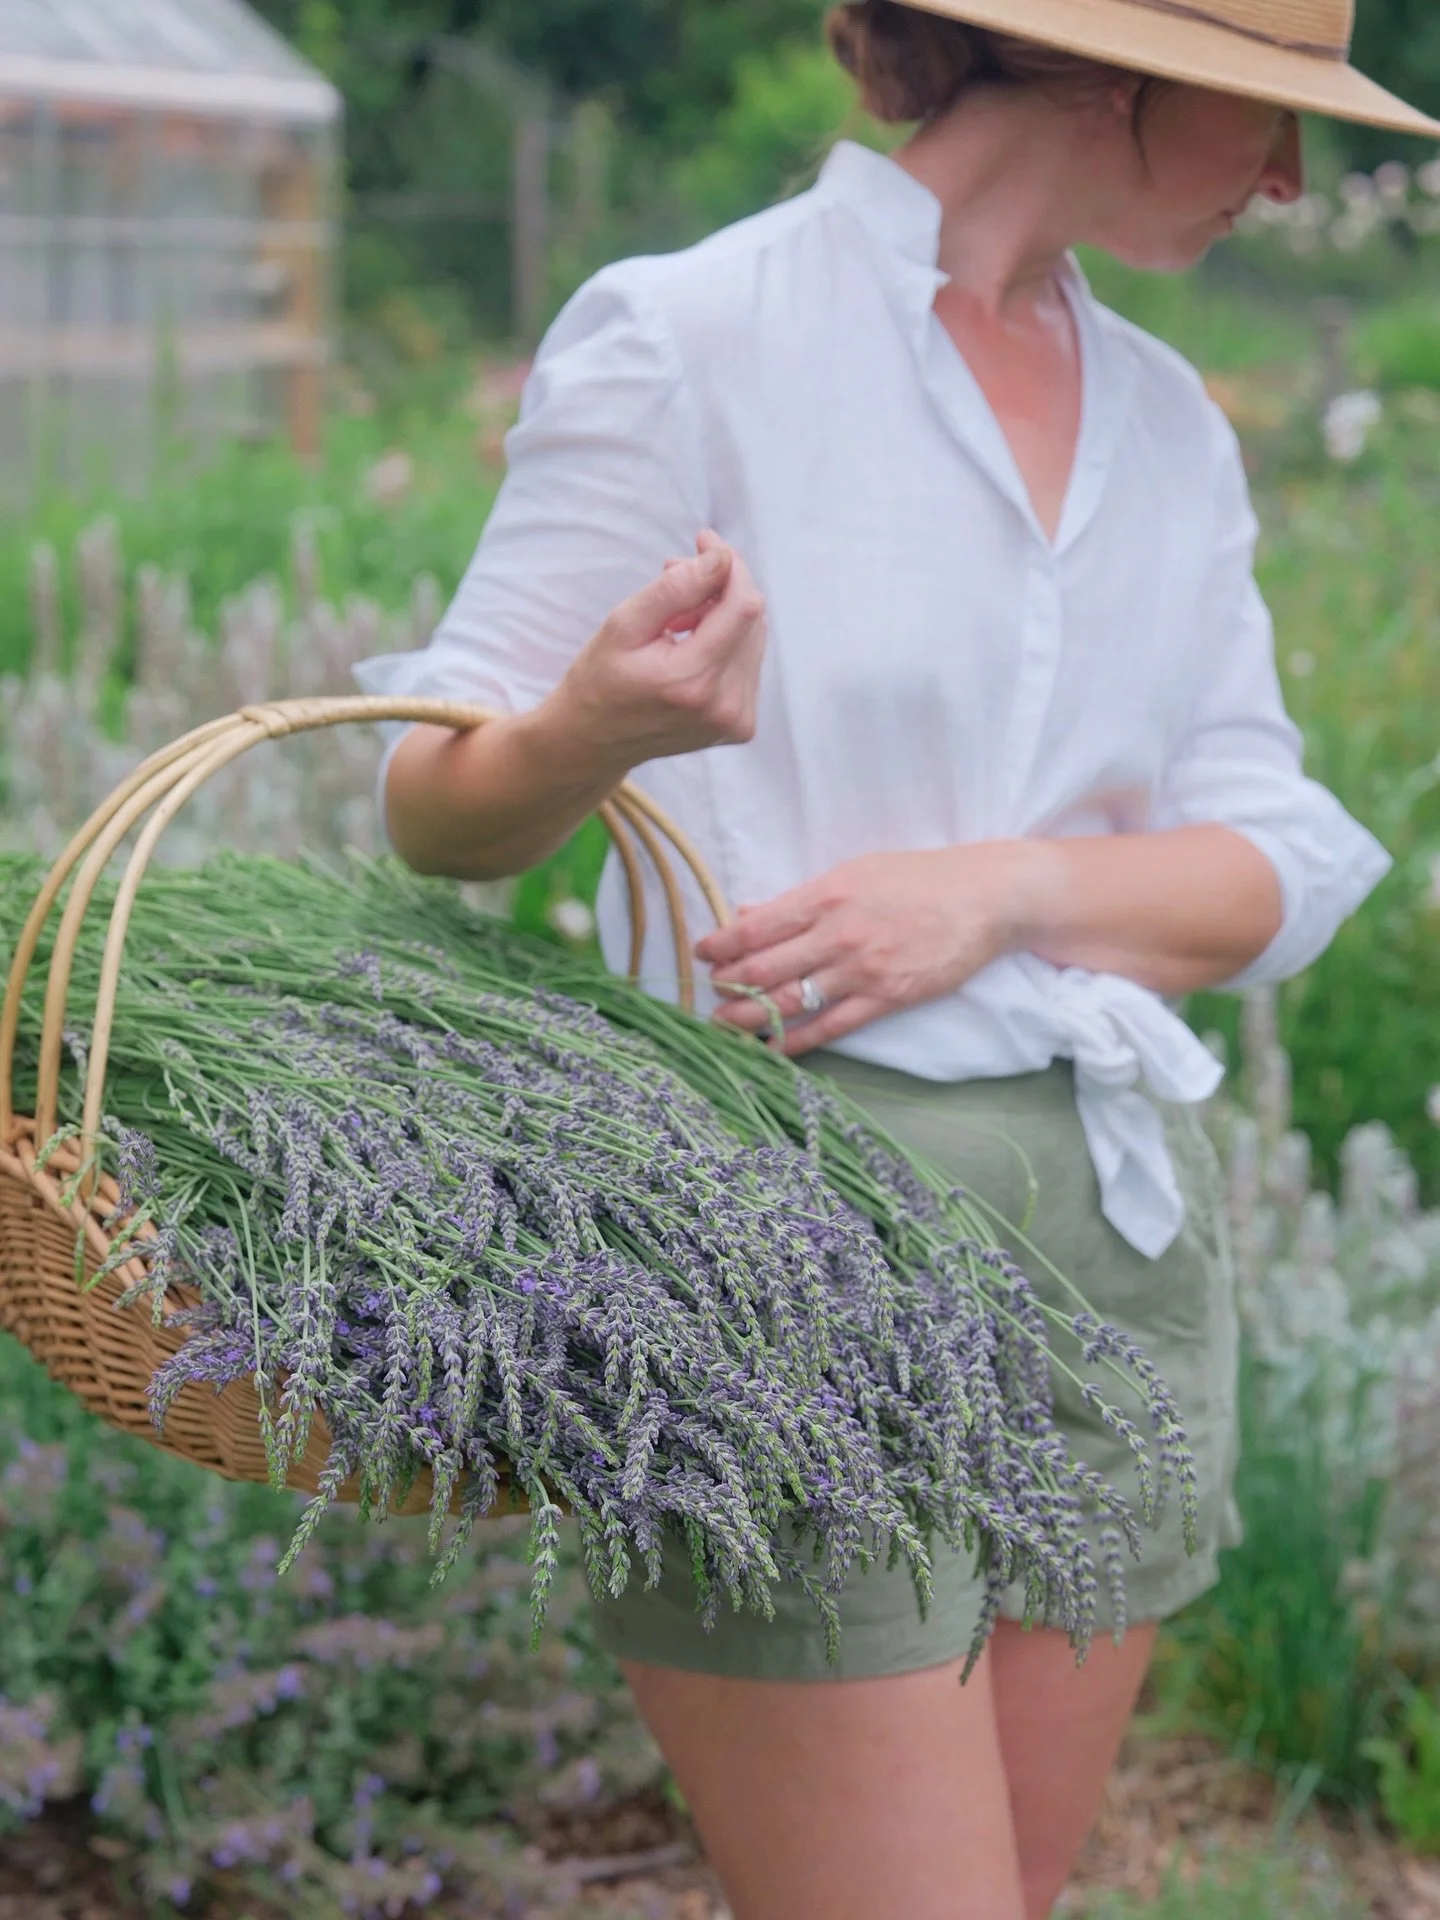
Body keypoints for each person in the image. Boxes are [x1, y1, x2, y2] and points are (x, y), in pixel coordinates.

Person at [357, 3, 1438, 1913]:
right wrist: (599, 725)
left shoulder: (1176, 426)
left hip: (1115, 1241)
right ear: (1118, 75)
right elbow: (439, 805)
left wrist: (999, 891)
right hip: (786, 1232)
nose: (1290, 177)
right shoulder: (698, 336)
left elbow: (1272, 865)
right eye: (1269, 119)